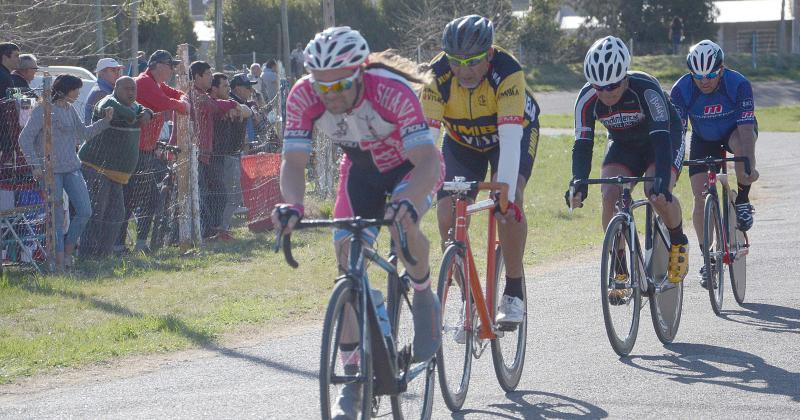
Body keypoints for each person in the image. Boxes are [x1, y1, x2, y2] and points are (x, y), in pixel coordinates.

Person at [272, 26, 443, 419]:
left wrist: (406, 201)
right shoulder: (302, 94)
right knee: (345, 251)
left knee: (402, 226)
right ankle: (353, 378)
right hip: (362, 170)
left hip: (408, 167)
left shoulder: (390, 91)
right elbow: (294, 162)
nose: (330, 96)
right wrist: (293, 204)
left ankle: (422, 293)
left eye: (340, 87)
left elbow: (428, 162)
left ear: (361, 73)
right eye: (322, 88)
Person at [421, 15, 540, 327]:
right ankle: (468, 298)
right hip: (462, 143)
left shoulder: (508, 71)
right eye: (456, 62)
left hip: (510, 137)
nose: (464, 71)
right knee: (447, 217)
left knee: (507, 208)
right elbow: (427, 141)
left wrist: (507, 194)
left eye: (473, 62)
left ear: (489, 54)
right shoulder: (435, 75)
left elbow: (512, 141)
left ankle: (513, 291)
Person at [566, 36, 689, 297]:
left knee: (656, 192)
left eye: (612, 86)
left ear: (624, 78)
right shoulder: (587, 98)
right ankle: (620, 266)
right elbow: (583, 143)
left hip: (662, 138)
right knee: (610, 193)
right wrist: (578, 181)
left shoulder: (646, 88)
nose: (606, 93)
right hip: (624, 144)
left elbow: (661, 136)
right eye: (599, 87)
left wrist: (661, 180)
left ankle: (678, 240)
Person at [670, 40, 759, 288]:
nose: (704, 80)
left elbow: (745, 127)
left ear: (721, 69)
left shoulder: (738, 84)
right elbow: (677, 133)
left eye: (710, 74)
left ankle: (742, 199)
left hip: (735, 131)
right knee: (700, 197)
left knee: (743, 149)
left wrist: (749, 165)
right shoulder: (681, 90)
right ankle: (708, 259)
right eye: (698, 76)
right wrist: (673, 168)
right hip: (703, 137)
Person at [19, 74, 113, 270]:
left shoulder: (69, 109)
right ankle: (59, 263)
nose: (78, 93)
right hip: (50, 171)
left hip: (72, 167)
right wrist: (35, 165)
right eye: (75, 89)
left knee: (85, 210)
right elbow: (24, 139)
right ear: (65, 90)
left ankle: (69, 251)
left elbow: (83, 133)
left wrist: (106, 121)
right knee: (57, 217)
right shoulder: (43, 110)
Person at [117, 50, 189, 254]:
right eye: (170, 65)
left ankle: (136, 244)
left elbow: (176, 94)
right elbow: (167, 103)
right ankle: (122, 245)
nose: (173, 69)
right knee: (135, 198)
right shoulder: (144, 82)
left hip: (146, 150)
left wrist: (182, 100)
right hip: (135, 150)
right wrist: (183, 106)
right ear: (157, 65)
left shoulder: (156, 83)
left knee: (144, 198)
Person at [80, 77, 152, 258]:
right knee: (98, 211)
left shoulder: (134, 104)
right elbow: (128, 115)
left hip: (115, 172)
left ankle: (104, 254)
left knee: (116, 212)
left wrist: (147, 112)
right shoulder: (108, 102)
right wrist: (142, 115)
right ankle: (88, 256)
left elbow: (142, 110)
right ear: (116, 87)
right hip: (97, 167)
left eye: (133, 89)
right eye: (127, 88)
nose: (131, 93)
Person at [189, 63, 250, 239]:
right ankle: (214, 230)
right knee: (214, 195)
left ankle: (217, 229)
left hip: (215, 155)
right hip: (207, 155)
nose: (229, 89)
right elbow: (212, 106)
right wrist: (233, 106)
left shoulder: (216, 101)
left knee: (219, 195)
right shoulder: (199, 97)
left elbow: (248, 110)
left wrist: (235, 108)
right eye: (225, 86)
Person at [215, 74, 256, 239]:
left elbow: (249, 111)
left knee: (233, 196)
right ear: (238, 88)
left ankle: (223, 228)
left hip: (233, 154)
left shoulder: (240, 101)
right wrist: (250, 111)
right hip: (227, 155)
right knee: (232, 197)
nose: (251, 90)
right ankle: (222, 229)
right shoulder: (231, 100)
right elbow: (247, 112)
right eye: (248, 87)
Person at [85, 58, 125, 122]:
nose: (117, 73)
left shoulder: (106, 89)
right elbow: (114, 119)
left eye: (118, 70)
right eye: (113, 70)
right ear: (101, 73)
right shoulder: (101, 92)